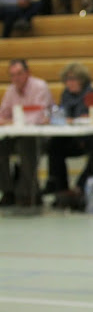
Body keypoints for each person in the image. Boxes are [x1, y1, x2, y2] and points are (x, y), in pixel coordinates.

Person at [44, 63, 93, 208]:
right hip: (71, 137)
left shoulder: (92, 94)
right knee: (54, 146)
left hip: (88, 138)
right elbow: (62, 114)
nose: (69, 83)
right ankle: (60, 189)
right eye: (67, 80)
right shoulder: (66, 95)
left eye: (73, 79)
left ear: (82, 79)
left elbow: (89, 116)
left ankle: (79, 188)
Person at [0, 60, 53, 207]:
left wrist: (12, 121)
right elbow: (2, 114)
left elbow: (38, 116)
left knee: (27, 145)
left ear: (27, 73)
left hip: (40, 135)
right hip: (16, 135)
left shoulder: (39, 87)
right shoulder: (11, 90)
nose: (16, 78)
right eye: (12, 75)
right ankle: (8, 191)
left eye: (19, 74)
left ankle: (29, 192)